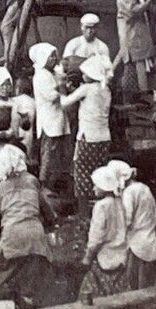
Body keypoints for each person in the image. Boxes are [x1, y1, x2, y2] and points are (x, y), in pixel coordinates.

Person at [0, 142, 58, 309]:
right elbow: (48, 211)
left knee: (4, 280)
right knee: (34, 281)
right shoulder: (32, 181)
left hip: (11, 236)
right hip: (35, 235)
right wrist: (50, 222)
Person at [29, 43, 76, 196]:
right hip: (49, 119)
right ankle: (44, 184)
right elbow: (51, 96)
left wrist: (65, 85)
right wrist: (62, 88)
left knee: (61, 153)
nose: (54, 58)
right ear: (43, 58)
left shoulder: (54, 72)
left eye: (55, 55)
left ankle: (56, 183)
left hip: (60, 117)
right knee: (49, 152)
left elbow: (65, 85)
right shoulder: (41, 75)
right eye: (51, 56)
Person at [69, 54, 113, 212]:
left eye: (85, 73)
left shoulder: (86, 89)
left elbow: (64, 103)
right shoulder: (105, 89)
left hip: (88, 137)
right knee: (99, 173)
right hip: (104, 137)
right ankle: (101, 209)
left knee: (82, 174)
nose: (83, 76)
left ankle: (83, 213)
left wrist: (61, 89)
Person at [80, 162, 130, 298]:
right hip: (122, 256)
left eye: (96, 185)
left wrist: (87, 257)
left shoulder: (101, 206)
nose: (94, 188)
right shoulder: (121, 202)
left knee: (90, 296)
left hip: (105, 259)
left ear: (103, 187)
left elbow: (96, 237)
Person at [119, 161, 156, 289]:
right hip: (147, 237)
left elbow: (127, 220)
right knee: (146, 282)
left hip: (138, 243)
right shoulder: (143, 188)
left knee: (136, 284)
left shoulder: (129, 193)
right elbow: (153, 213)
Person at [115, 0, 156, 102]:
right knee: (136, 64)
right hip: (131, 34)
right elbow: (134, 11)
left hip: (141, 34)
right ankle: (139, 94)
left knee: (144, 64)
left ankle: (145, 92)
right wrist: (149, 0)